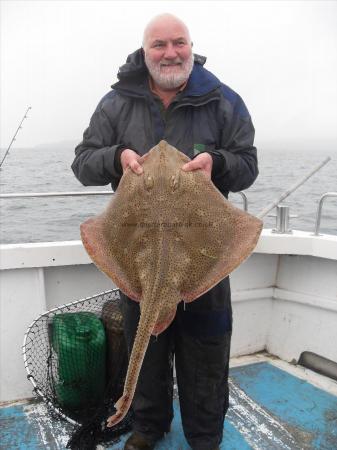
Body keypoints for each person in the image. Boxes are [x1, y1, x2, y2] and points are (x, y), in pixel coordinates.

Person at [72, 13, 258, 450]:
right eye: (160, 45)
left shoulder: (223, 100)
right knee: (147, 348)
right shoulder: (116, 104)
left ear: (191, 46)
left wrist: (218, 163)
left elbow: (247, 166)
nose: (170, 53)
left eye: (179, 43)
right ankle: (147, 428)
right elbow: (83, 163)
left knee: (206, 353)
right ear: (145, 50)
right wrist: (117, 156)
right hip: (137, 255)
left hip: (202, 252)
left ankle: (204, 435)